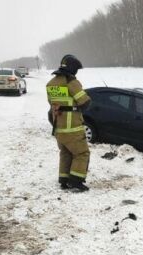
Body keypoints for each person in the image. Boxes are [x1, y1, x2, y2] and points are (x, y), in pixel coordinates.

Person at [47, 55, 92, 192]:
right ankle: (76, 181)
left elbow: (52, 104)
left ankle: (64, 180)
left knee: (65, 153)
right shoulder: (71, 82)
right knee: (82, 153)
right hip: (73, 128)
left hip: (59, 128)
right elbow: (84, 102)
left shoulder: (51, 83)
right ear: (73, 68)